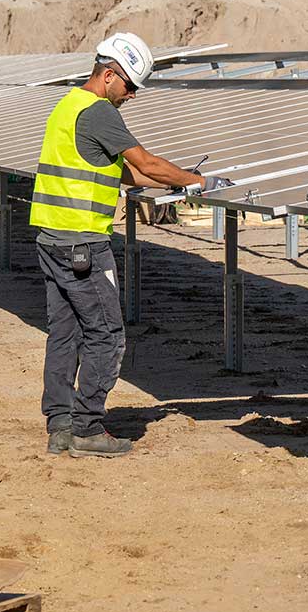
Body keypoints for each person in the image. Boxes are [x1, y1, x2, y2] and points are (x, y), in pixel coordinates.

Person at [31, 32, 231, 457]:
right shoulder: (101, 112)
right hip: (83, 245)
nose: (132, 96)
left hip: (51, 239)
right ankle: (88, 428)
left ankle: (61, 426)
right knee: (107, 335)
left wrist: (175, 184)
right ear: (108, 76)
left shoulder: (67, 106)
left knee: (64, 334)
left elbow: (123, 174)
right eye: (130, 86)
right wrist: (199, 181)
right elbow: (147, 163)